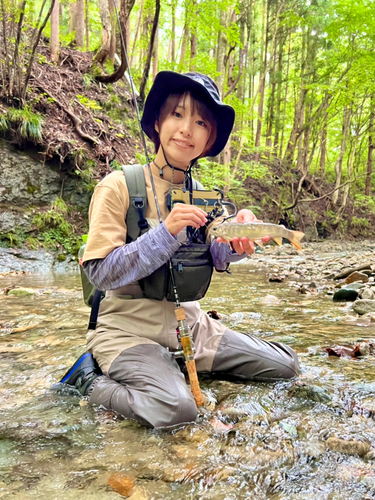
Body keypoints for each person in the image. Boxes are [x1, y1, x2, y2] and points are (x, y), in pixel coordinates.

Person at [60, 71, 300, 428]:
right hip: (127, 330)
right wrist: (166, 233)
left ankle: (169, 369)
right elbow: (100, 271)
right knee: (177, 411)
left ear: (209, 139)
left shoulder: (205, 196)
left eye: (200, 121)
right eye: (177, 114)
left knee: (287, 365)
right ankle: (89, 380)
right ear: (158, 122)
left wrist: (238, 244)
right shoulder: (119, 186)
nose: (186, 128)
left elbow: (214, 257)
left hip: (192, 328)